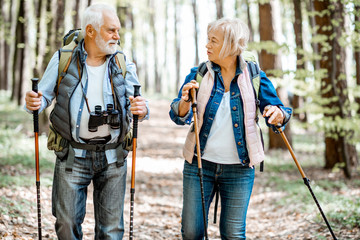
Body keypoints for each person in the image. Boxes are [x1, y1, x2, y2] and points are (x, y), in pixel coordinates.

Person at [25, 3, 148, 239]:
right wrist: (34, 102)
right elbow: (42, 97)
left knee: (111, 230)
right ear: (90, 31)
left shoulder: (122, 61)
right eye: (111, 30)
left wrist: (142, 109)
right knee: (66, 224)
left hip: (114, 156)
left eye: (118, 31)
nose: (117, 36)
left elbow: (140, 103)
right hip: (73, 155)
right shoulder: (64, 58)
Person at [169, 18, 292, 239]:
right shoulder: (199, 74)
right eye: (208, 39)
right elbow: (177, 114)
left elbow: (281, 111)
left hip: (239, 169)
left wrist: (277, 114)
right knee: (191, 232)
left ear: (231, 45)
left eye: (213, 41)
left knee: (234, 235)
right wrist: (185, 103)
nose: (207, 45)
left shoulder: (254, 76)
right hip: (200, 164)